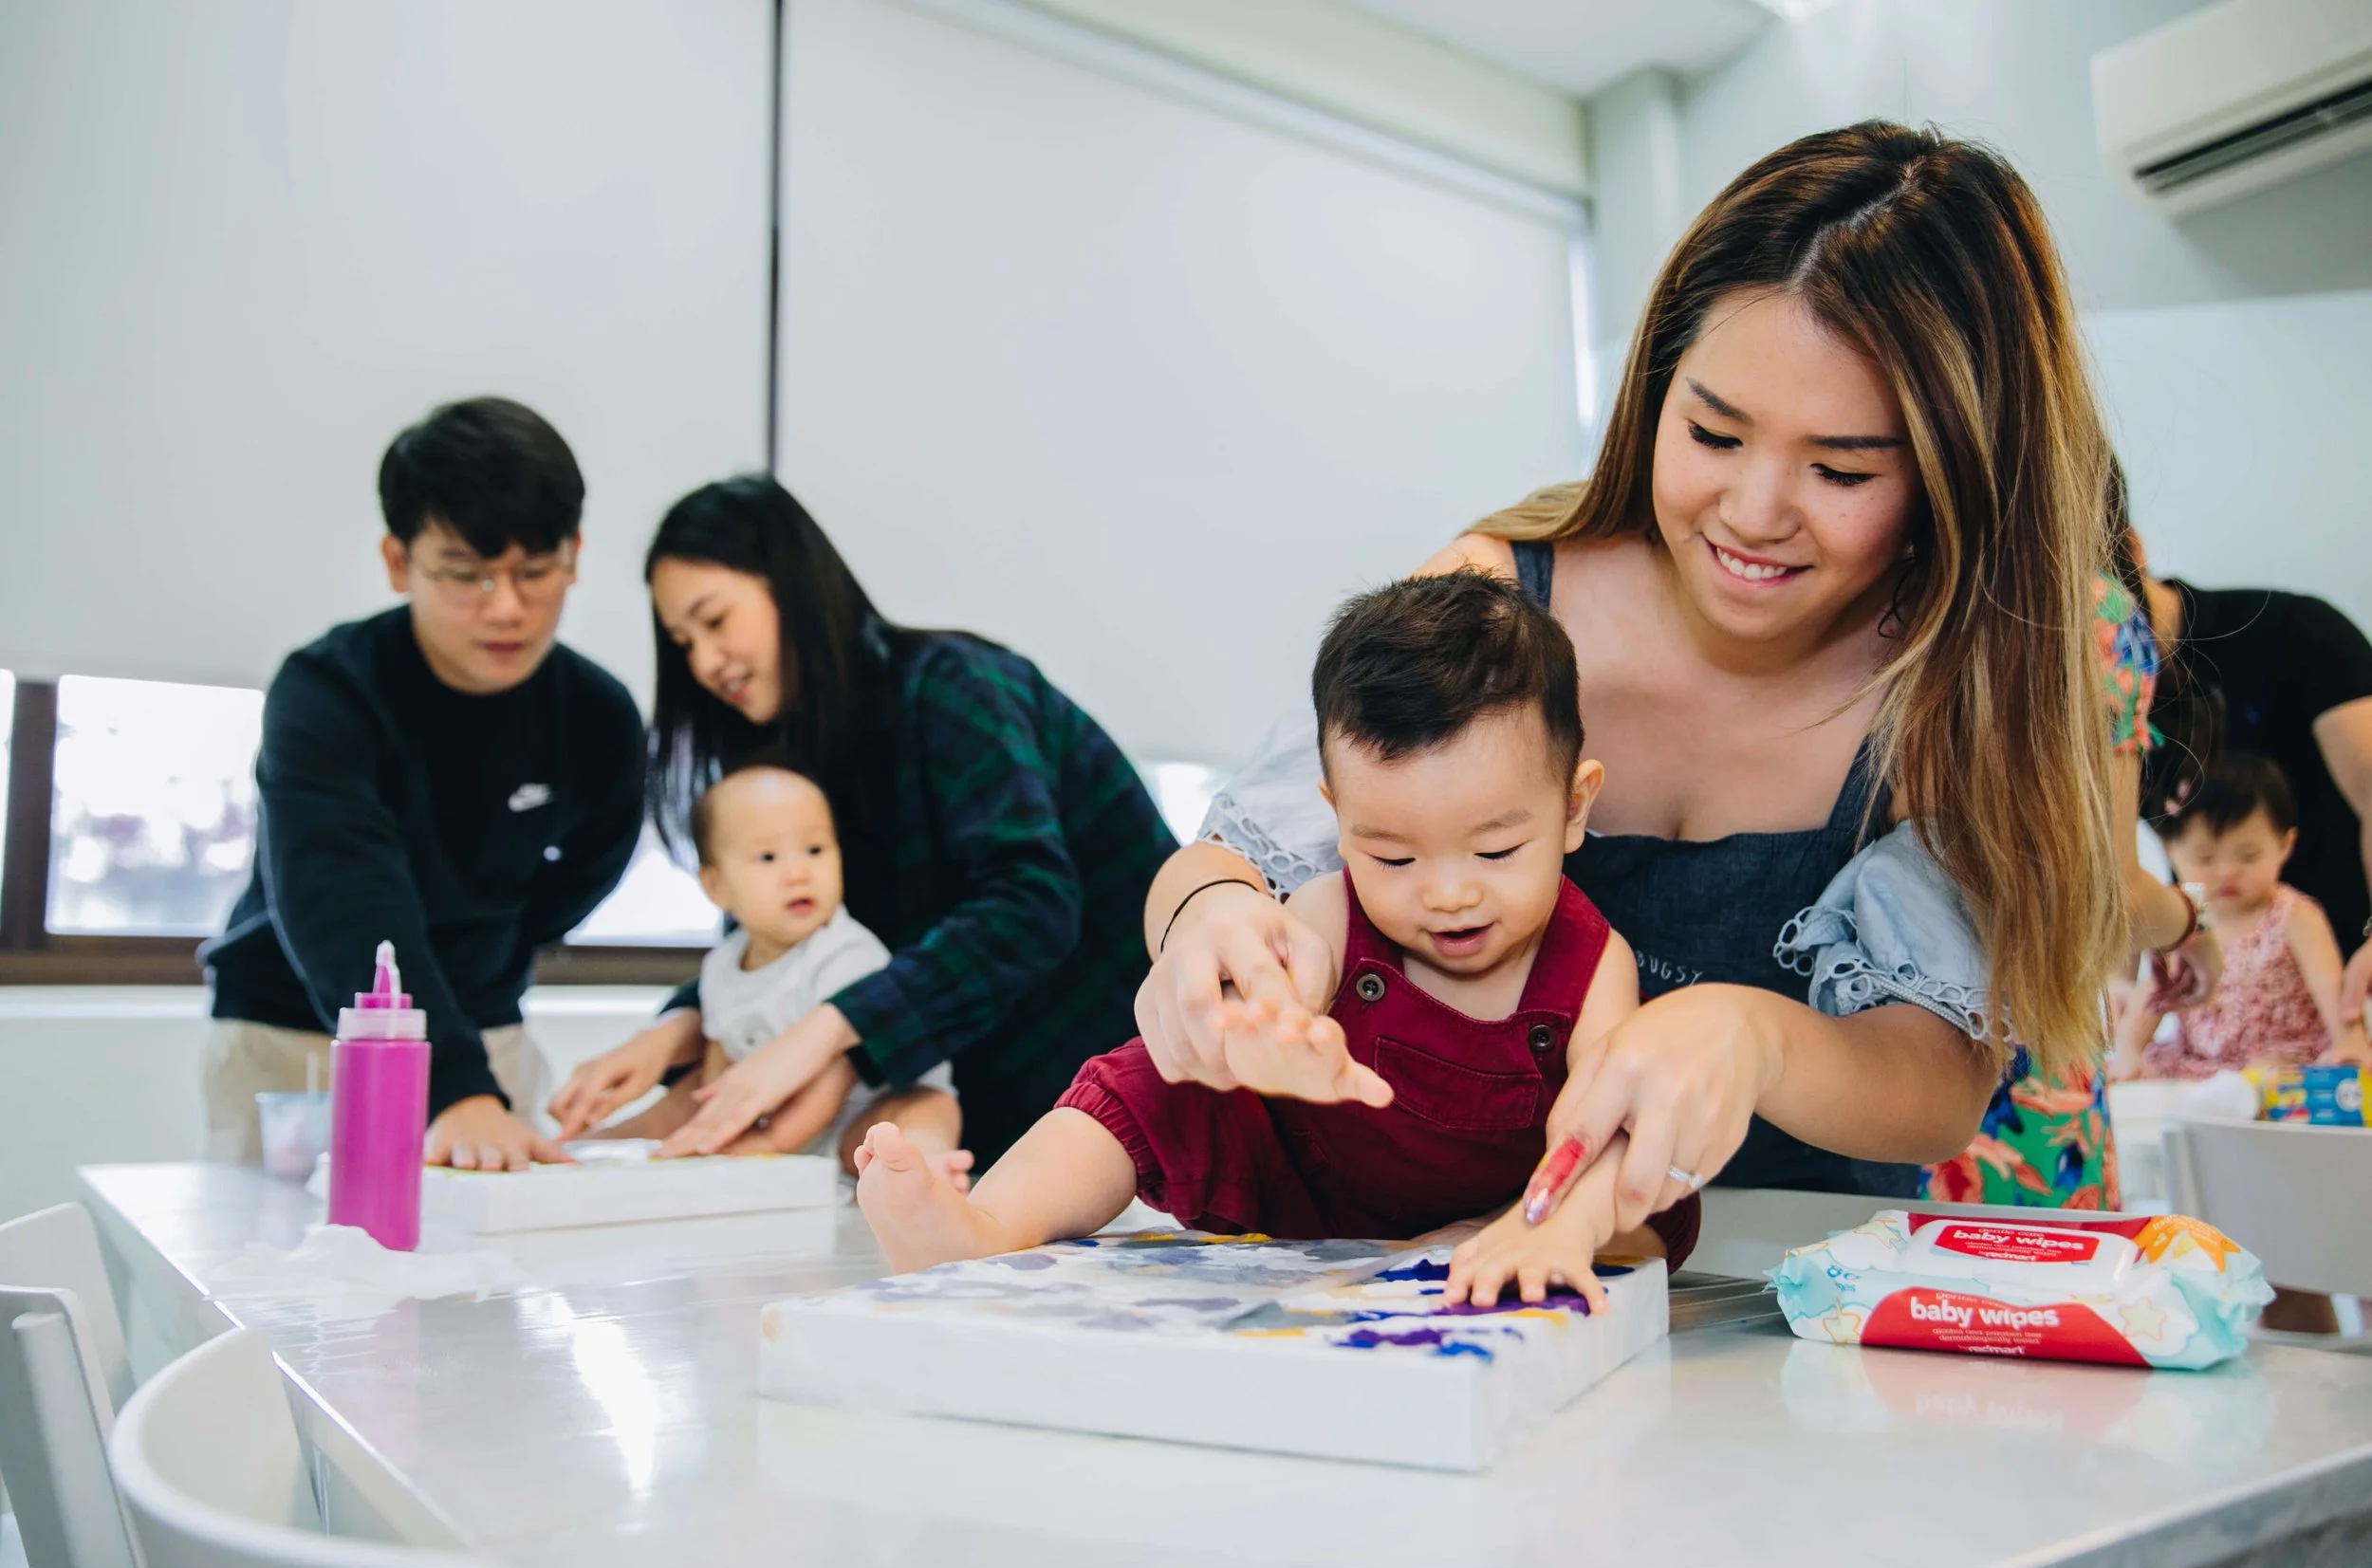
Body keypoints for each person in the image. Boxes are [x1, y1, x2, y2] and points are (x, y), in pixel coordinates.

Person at [1132, 120, 2130, 1226]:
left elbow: (1936, 1086)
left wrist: (1755, 1034)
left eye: (1840, 468)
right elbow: (1229, 862)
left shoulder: (1946, 696)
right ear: (1656, 389)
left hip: (1783, 1282)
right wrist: (1208, 925)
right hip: (1471, 1258)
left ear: (1958, 477)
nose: (1753, 514)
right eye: (1712, 434)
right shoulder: (1494, 594)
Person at [856, 572, 1698, 1309]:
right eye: (1392, 853)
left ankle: (1502, 1232)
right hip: (1315, 1191)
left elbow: (1606, 1122)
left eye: (1495, 850)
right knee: (1146, 1079)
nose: (1448, 893)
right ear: (1337, 817)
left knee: (1643, 1197)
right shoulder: (1333, 911)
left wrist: (1535, 1219)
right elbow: (1276, 994)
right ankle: (986, 1227)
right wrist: (1275, 1037)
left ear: (1575, 806)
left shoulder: (1593, 966)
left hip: (1510, 1206)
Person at [549, 476, 1176, 1170]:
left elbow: (1028, 905)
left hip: (1126, 1089)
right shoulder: (787, 755)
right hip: (993, 1130)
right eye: (682, 640)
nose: (703, 661)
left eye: (716, 620)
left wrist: (827, 1031)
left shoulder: (956, 688)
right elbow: (778, 937)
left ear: (789, 584)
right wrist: (677, 1030)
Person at [200, 397, 643, 1171]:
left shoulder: (599, 714)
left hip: (483, 1030)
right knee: (274, 1278)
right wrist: (454, 1087)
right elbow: (341, 891)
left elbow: (589, 868)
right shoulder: (327, 691)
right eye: (464, 575)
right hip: (300, 1034)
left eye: (535, 573)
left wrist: (489, 951)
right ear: (398, 561)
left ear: (573, 555)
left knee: (485, 1282)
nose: (506, 608)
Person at [1923, 465, 2224, 1208]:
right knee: (2022, 1316)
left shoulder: (1877, 587)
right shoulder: (2085, 613)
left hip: (1834, 1054)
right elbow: (2106, 895)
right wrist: (2191, 919)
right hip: (2015, 1067)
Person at [584, 760, 968, 1178]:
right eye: (768, 857)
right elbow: (720, 1060)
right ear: (717, 887)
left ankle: (929, 1172)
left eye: (815, 850)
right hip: (789, 1119)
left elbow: (836, 1078)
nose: (798, 873)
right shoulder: (720, 966)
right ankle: (595, 1147)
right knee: (688, 1098)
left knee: (914, 1116)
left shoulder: (845, 953)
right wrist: (712, 1126)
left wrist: (768, 1146)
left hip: (864, 1105)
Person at [2136, 561, 2372, 1052]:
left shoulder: (2300, 635)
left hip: (2341, 994)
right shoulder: (2101, 692)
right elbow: (2113, 865)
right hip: (2208, 1039)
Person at [2113, 755, 2370, 1078]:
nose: (2226, 872)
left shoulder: (2293, 915)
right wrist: (2130, 1050)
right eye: (2204, 857)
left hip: (2280, 1061)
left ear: (2285, 845)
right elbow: (2153, 995)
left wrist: (2350, 1040)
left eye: (2249, 856)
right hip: (2198, 1064)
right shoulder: (2181, 913)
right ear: (2170, 850)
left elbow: (2330, 985)